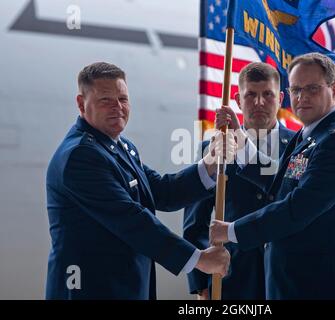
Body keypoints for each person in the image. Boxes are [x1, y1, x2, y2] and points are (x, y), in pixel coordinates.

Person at [45, 62, 234, 300]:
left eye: (123, 99)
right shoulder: (80, 156)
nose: (118, 107)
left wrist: (211, 161)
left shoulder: (119, 147)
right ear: (82, 104)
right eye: (106, 100)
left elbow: (164, 192)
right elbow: (132, 220)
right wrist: (198, 259)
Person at [210, 52, 335, 299]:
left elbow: (296, 209)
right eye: (296, 89)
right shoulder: (310, 135)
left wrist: (231, 231)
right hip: (294, 286)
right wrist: (240, 139)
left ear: (334, 89)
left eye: (312, 89)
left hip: (321, 288)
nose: (301, 97)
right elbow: (278, 187)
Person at [183, 62, 296, 299]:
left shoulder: (299, 147)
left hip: (287, 277)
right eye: (251, 95)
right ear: (237, 99)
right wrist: (201, 285)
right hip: (231, 280)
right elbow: (195, 222)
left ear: (281, 98)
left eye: (268, 94)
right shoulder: (213, 148)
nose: (259, 103)